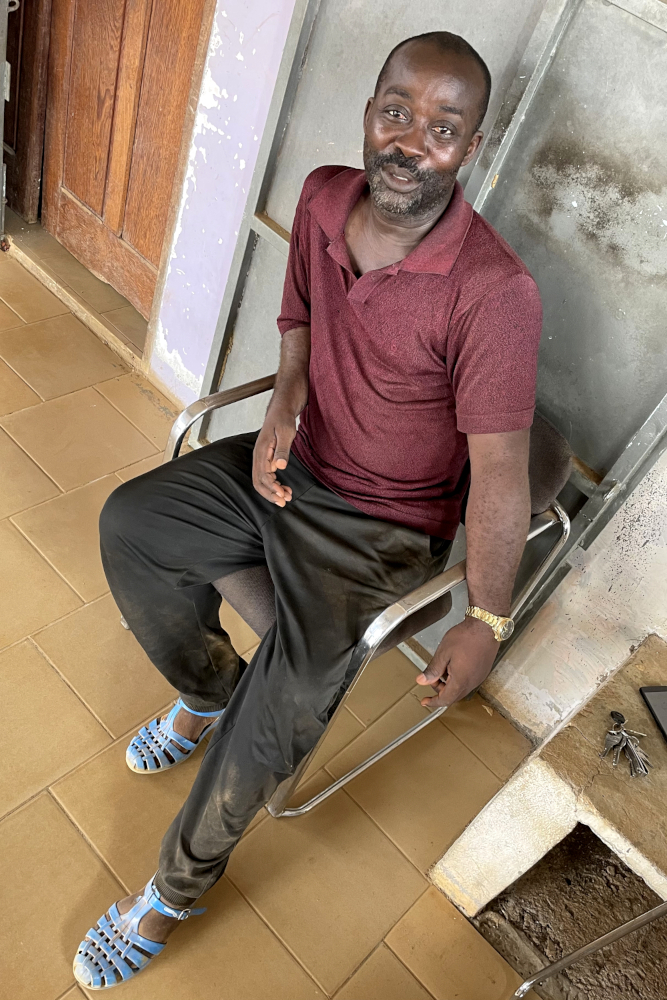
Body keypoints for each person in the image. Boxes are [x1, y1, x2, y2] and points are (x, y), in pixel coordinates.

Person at [73, 30, 541, 989]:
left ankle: (171, 892)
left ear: (473, 147)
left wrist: (486, 618)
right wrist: (287, 389)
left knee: (281, 704)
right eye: (397, 112)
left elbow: (499, 475)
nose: (411, 143)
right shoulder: (327, 193)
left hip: (380, 531)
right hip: (295, 464)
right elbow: (298, 309)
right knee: (134, 524)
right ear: (370, 112)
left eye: (443, 128)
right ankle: (208, 688)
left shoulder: (494, 293)